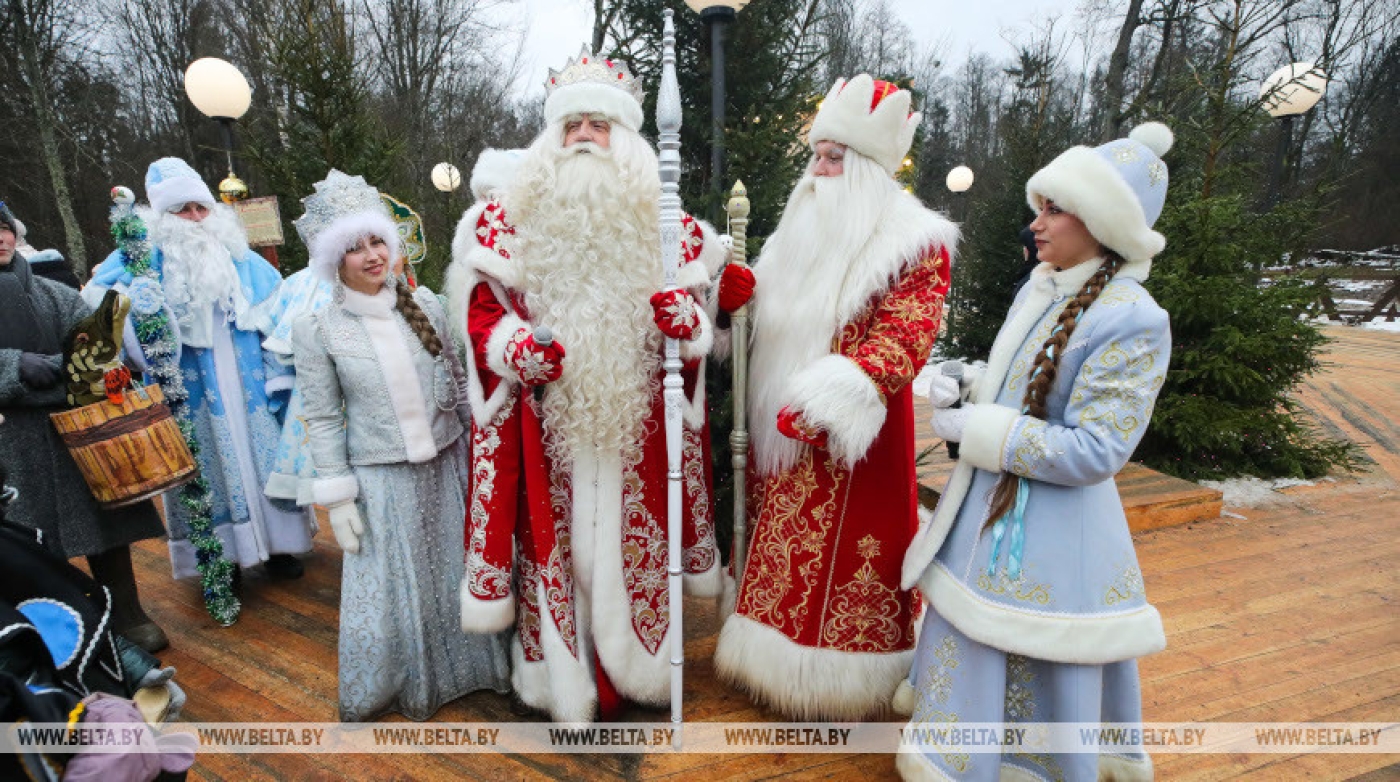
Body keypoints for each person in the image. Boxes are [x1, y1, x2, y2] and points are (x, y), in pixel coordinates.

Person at [446, 48, 726, 722]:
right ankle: (563, 682)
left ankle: (644, 674)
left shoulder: (675, 231)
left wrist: (687, 323)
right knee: (556, 548)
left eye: (599, 125)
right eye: (571, 124)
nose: (582, 137)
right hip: (549, 426)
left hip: (640, 429)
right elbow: (482, 313)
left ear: (626, 138)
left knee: (641, 541)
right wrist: (517, 350)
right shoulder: (504, 222)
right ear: (551, 135)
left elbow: (698, 329)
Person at [898, 122, 1176, 781]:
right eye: (1039, 206)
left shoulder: (1132, 316)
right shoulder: (1044, 285)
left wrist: (984, 433)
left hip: (1051, 538)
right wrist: (966, 382)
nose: (1037, 222)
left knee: (1030, 642)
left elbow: (1096, 450)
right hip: (988, 517)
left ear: (1102, 221)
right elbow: (1022, 384)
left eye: (1055, 208)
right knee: (973, 632)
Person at [710, 75, 959, 720]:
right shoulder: (797, 231)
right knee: (778, 547)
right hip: (781, 433)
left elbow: (908, 330)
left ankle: (842, 677)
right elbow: (764, 311)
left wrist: (840, 395)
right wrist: (733, 306)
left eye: (834, 157)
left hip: (856, 438)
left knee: (846, 556)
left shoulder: (916, 239)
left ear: (870, 167)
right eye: (816, 154)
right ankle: (768, 661)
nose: (817, 170)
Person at [291, 171, 510, 721]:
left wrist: (481, 454)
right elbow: (320, 414)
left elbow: (459, 384)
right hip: (380, 478)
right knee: (394, 586)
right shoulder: (317, 329)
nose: (371, 256)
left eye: (377, 241)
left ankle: (477, 670)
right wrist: (338, 498)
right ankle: (402, 682)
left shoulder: (429, 307)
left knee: (455, 569)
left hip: (448, 465)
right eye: (354, 247)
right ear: (333, 261)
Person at [85, 158, 312, 582]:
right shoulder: (138, 258)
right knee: (206, 464)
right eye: (182, 209)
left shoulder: (240, 256)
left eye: (200, 207)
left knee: (264, 459)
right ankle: (222, 558)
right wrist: (141, 307)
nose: (194, 217)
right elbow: (99, 307)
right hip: (190, 389)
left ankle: (280, 545)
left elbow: (282, 309)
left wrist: (279, 371)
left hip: (248, 382)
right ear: (163, 216)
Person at [0, 202, 171, 652]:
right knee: (23, 542)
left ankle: (127, 615)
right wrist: (13, 366)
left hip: (74, 432)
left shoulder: (57, 296)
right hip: (8, 443)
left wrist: (94, 370)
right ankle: (47, 634)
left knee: (103, 524)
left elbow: (97, 351)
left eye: (3, 228)